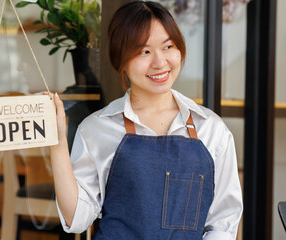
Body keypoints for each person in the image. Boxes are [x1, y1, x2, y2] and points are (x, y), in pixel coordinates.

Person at [48, 1, 243, 239]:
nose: (160, 62)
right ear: (122, 60)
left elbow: (223, 224)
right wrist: (57, 142)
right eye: (144, 51)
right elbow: (76, 219)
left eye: (168, 46)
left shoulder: (211, 129)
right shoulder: (97, 129)